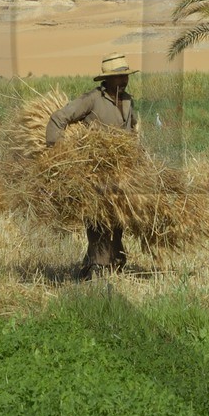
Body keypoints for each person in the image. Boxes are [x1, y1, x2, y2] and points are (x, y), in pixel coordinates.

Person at [45, 54, 141, 274]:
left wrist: (138, 154)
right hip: (95, 168)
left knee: (118, 217)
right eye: (119, 77)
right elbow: (59, 118)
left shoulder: (128, 100)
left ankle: (114, 260)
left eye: (126, 76)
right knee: (97, 217)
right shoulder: (92, 99)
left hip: (122, 169)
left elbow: (132, 129)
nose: (124, 80)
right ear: (108, 79)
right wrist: (57, 152)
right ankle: (97, 265)